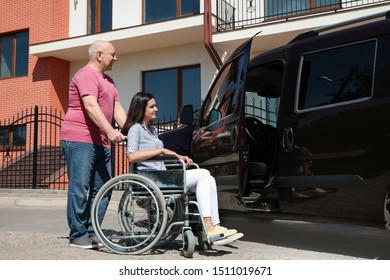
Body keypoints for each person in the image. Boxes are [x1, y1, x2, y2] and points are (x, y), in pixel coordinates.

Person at [121, 92, 244, 246]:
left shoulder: (152, 131)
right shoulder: (135, 129)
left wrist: (179, 156)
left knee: (209, 179)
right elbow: (132, 156)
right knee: (204, 174)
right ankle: (208, 226)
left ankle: (214, 226)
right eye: (152, 106)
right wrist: (162, 151)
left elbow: (161, 154)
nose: (156, 109)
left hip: (162, 176)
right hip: (151, 178)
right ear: (141, 109)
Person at [60, 40, 127, 249]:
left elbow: (117, 109)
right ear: (99, 55)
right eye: (112, 54)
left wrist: (131, 132)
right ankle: (78, 234)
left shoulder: (109, 81)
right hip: (79, 139)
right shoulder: (85, 75)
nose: (115, 58)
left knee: (104, 188)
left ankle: (92, 230)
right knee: (80, 187)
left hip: (102, 142)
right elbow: (90, 105)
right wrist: (109, 130)